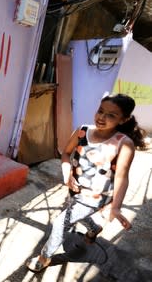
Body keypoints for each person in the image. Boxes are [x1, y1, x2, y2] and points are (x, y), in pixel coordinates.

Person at [26, 93, 147, 272]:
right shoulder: (82, 130)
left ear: (123, 119)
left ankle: (44, 257)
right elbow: (66, 153)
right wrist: (67, 175)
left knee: (61, 223)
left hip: (98, 196)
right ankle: (94, 228)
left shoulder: (124, 144)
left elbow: (122, 177)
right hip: (76, 190)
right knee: (74, 214)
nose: (101, 117)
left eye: (111, 115)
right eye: (100, 111)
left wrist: (116, 207)